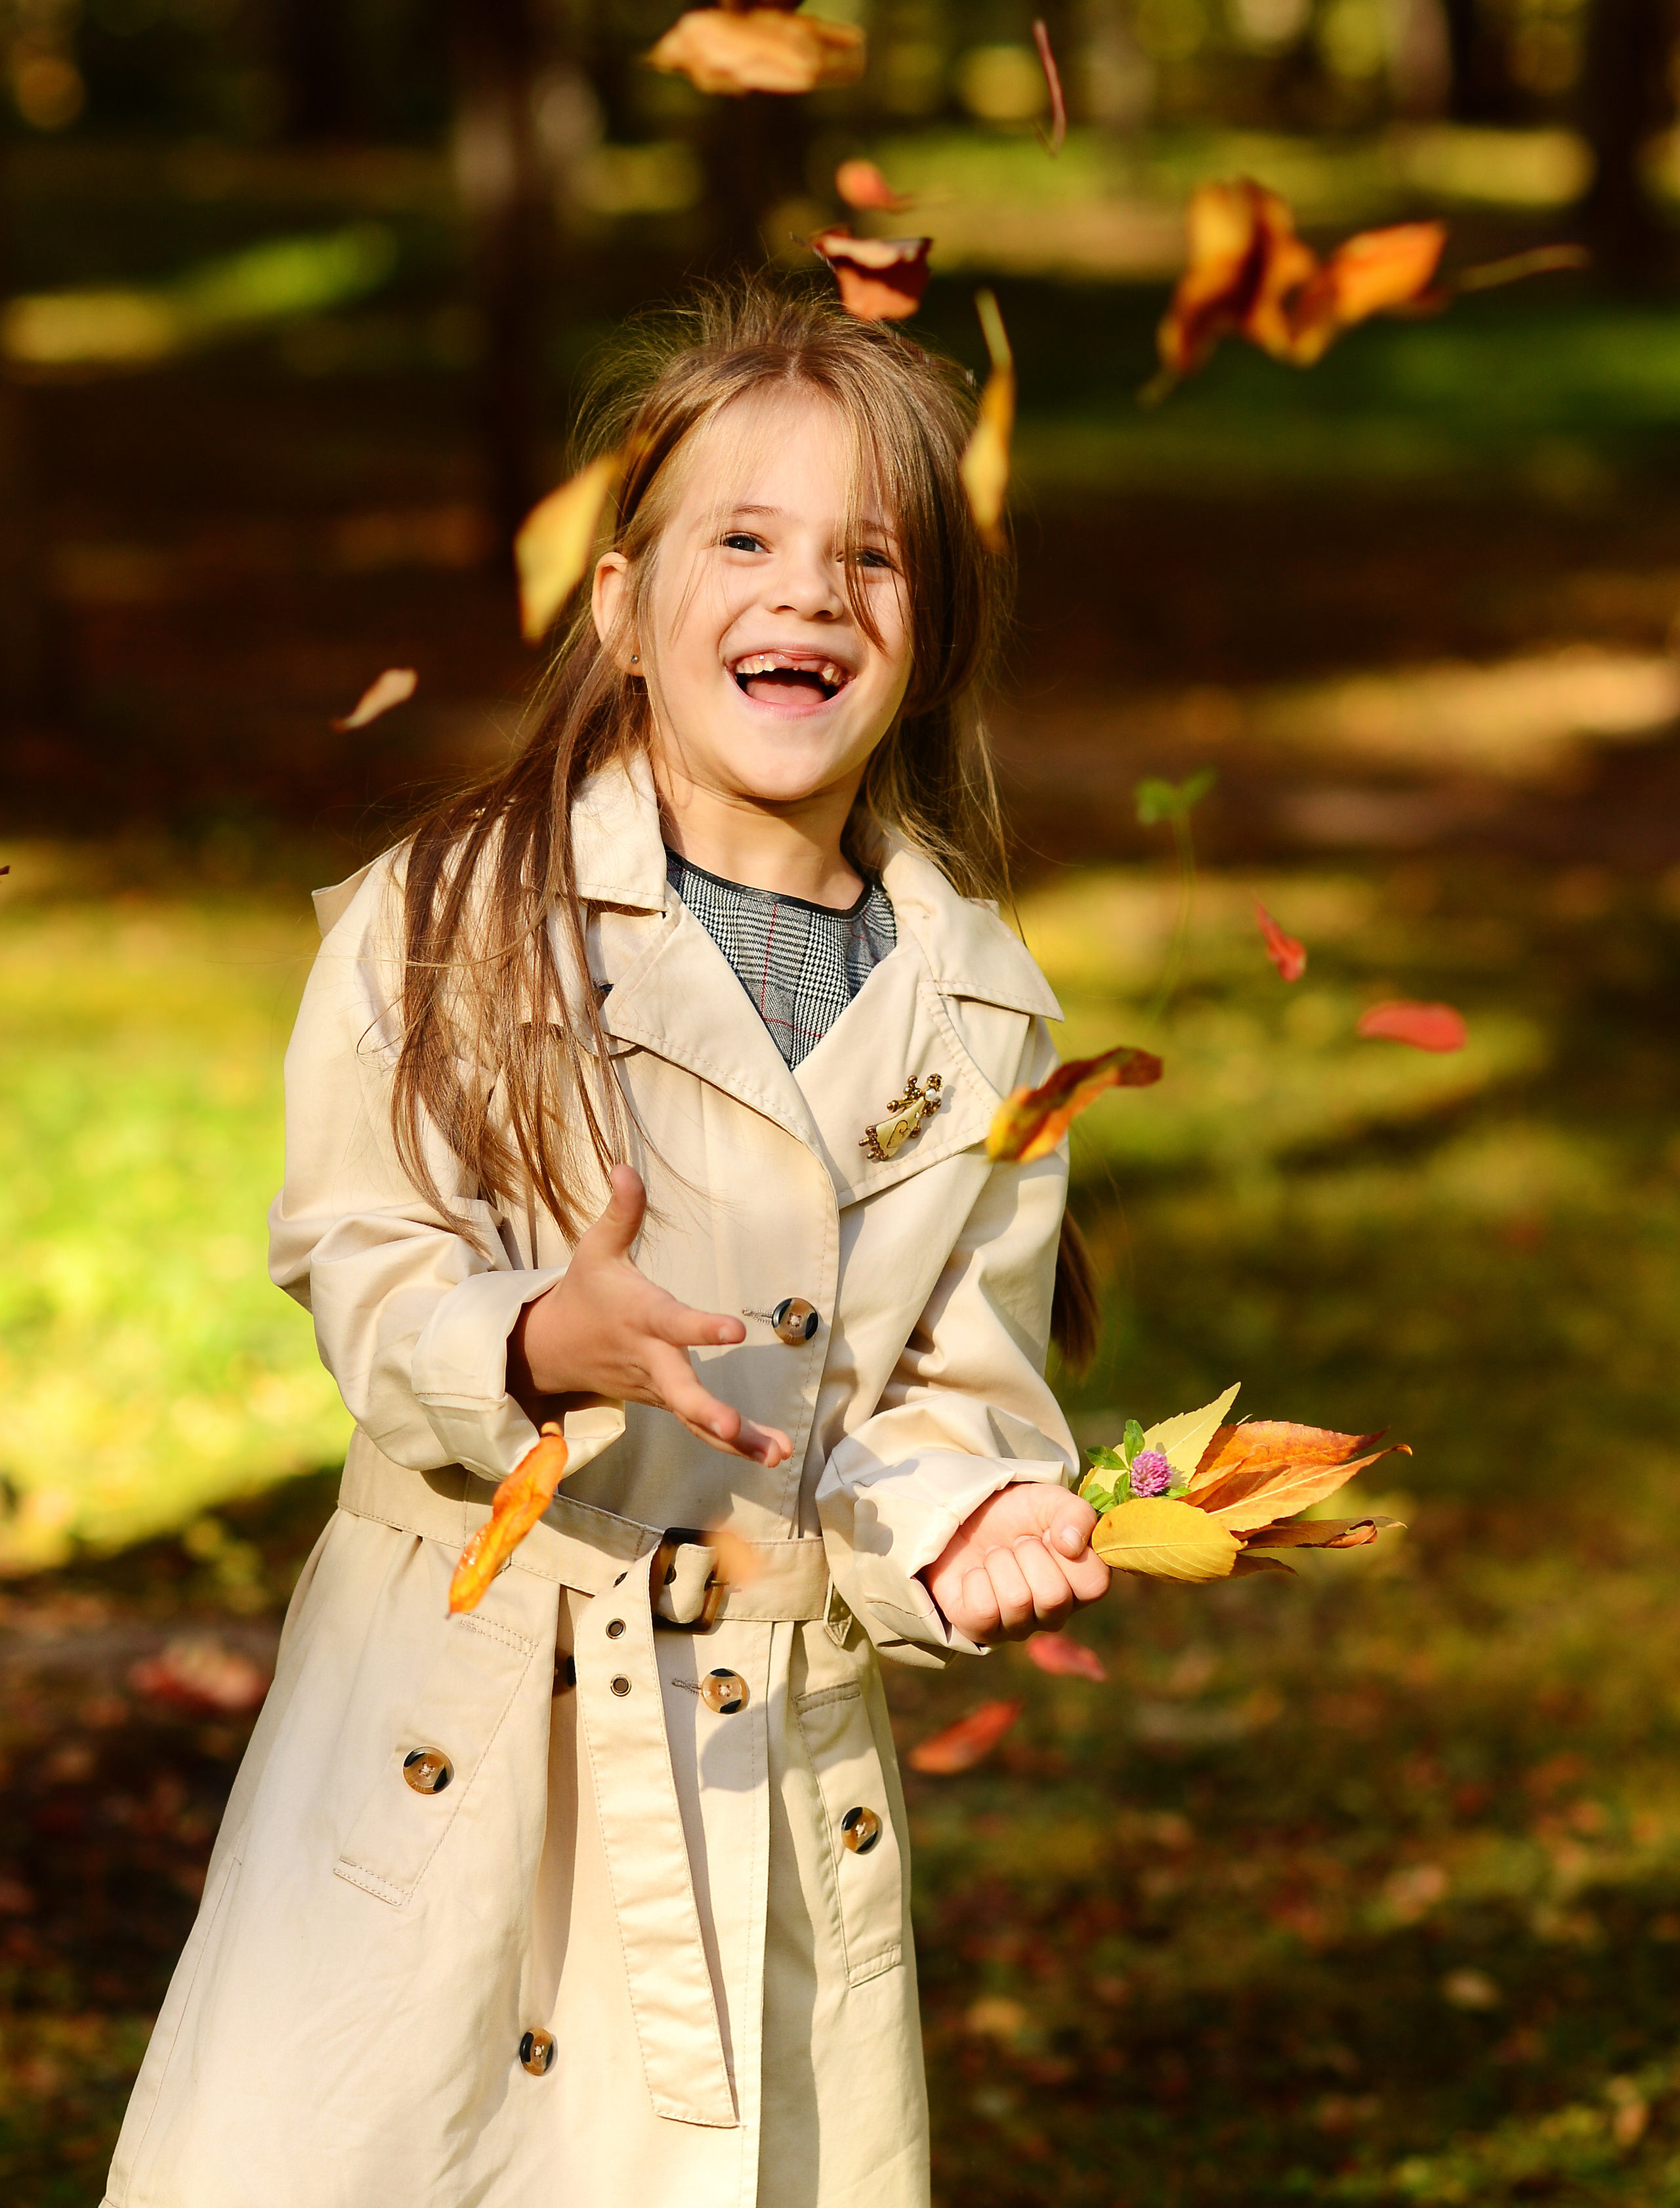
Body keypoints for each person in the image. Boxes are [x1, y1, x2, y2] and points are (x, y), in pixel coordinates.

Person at [102, 278, 1111, 2208]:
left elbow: (938, 1401)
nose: (808, 593)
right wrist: (533, 1332)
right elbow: (363, 1265)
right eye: (744, 539)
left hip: (761, 1782)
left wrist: (964, 1516)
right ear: (628, 609)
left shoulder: (983, 1011)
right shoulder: (450, 916)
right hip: (453, 1736)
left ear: (931, 637)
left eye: (871, 558)